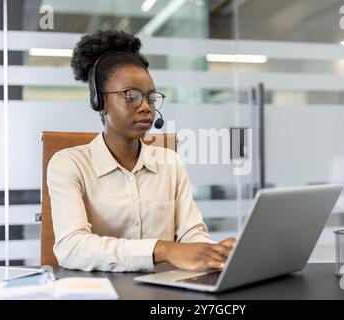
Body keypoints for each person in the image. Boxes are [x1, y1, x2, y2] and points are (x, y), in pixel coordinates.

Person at [47, 30, 235, 272]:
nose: (146, 107)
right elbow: (72, 248)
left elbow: (192, 233)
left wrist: (215, 252)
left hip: (164, 291)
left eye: (151, 98)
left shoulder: (170, 162)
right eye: (132, 97)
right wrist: (162, 249)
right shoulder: (69, 164)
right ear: (100, 103)